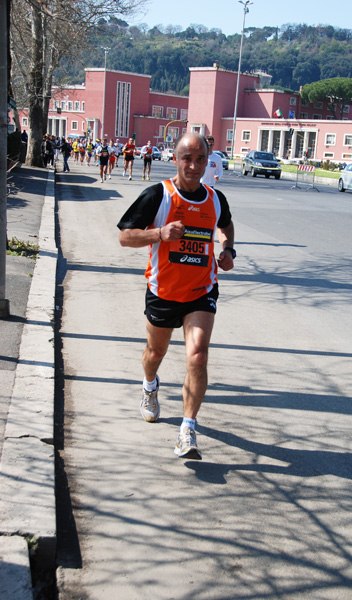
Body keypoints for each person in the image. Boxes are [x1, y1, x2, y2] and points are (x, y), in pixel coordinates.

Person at [117, 133, 235, 460]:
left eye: (200, 159)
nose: (194, 166)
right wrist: (159, 233)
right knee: (156, 353)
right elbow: (125, 237)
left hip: (201, 291)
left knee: (197, 355)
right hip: (163, 292)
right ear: (175, 158)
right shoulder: (158, 195)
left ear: (208, 160)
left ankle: (187, 429)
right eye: (187, 158)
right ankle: (149, 386)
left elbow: (226, 226)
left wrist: (227, 250)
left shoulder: (215, 198)